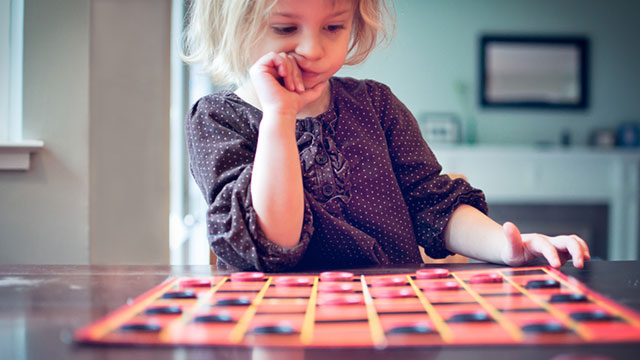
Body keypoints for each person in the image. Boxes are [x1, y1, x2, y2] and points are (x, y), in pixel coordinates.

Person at [182, 0, 590, 272]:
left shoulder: (376, 105)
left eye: (334, 26)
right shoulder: (219, 119)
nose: (313, 48)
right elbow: (277, 240)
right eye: (286, 27)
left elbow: (434, 206)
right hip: (280, 326)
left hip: (393, 318)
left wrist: (506, 246)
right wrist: (280, 115)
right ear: (233, 26)